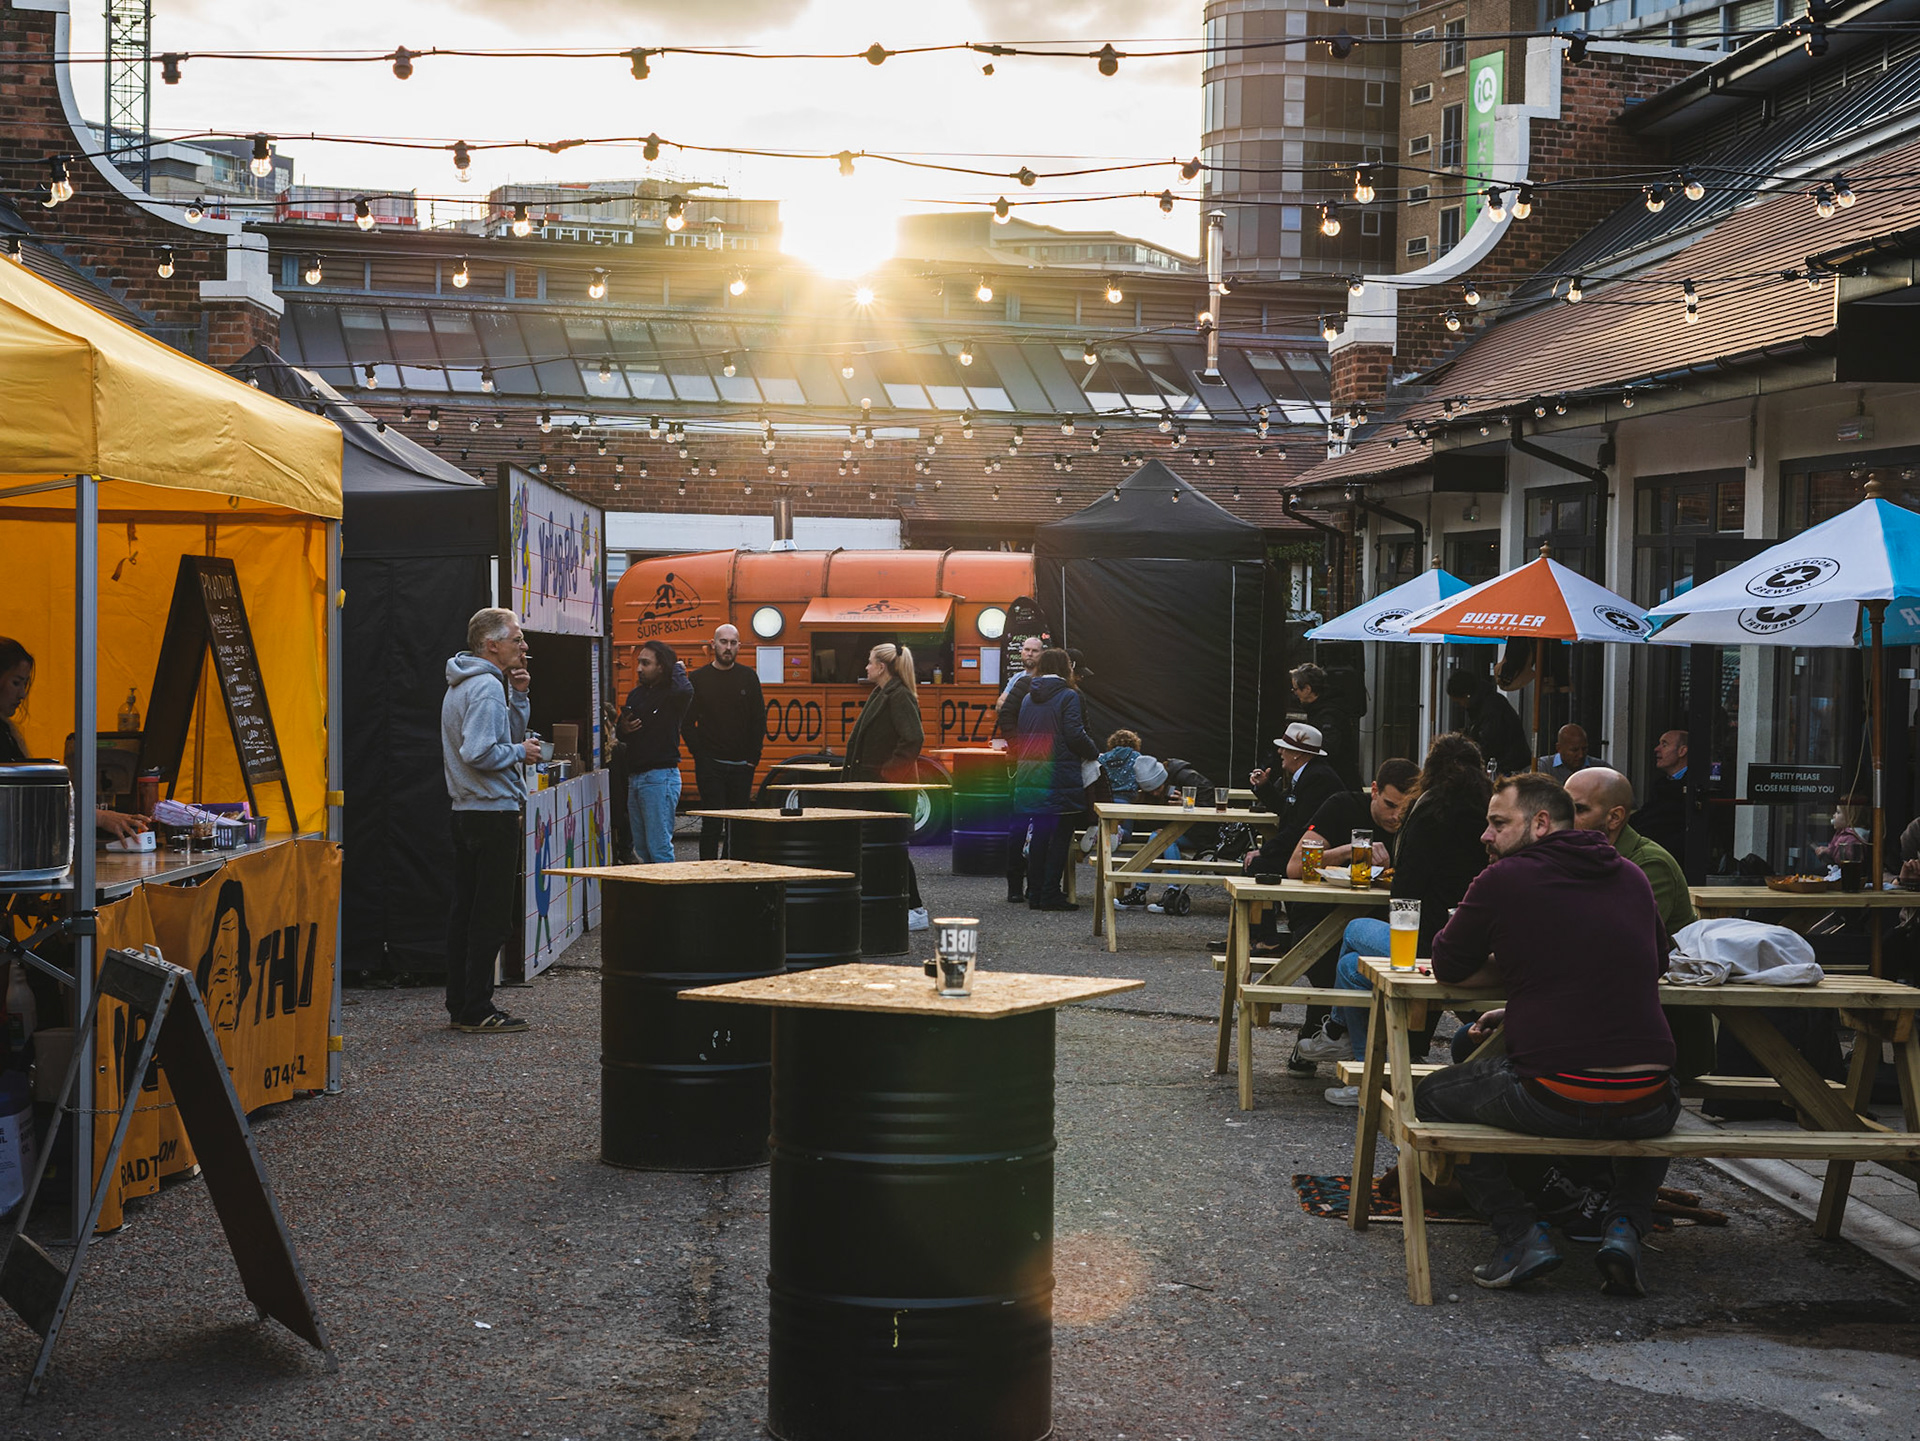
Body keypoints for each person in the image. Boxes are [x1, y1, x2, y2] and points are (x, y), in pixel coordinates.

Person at [1415, 772, 1679, 1297]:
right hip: (1648, 1100)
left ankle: (1520, 1235)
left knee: (1430, 1096)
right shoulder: (1631, 874)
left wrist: (1515, 972)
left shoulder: (1503, 879)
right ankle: (1624, 1227)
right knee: (1664, 1086)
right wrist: (1524, 998)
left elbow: (1448, 964)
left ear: (1540, 823)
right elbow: (1656, 962)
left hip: (1553, 1094)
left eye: (1498, 823)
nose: (1485, 835)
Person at [1325, 733, 1492, 1103]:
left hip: (1429, 944)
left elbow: (1406, 890)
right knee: (1352, 966)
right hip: (1479, 946)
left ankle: (1352, 1052)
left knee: (1353, 933)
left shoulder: (1429, 811)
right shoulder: (1490, 814)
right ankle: (1390, 1052)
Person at [1564, 765, 1711, 1079]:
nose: (1564, 818)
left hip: (1657, 1032)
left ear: (1615, 817)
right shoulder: (1579, 858)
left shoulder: (1647, 864)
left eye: (1578, 809)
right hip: (1605, 1015)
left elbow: (1618, 952)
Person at [1281, 757, 1420, 1071]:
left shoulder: (1417, 821)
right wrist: (1351, 850)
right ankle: (1340, 1039)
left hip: (1378, 919)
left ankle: (1339, 1038)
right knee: (1331, 958)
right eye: (1389, 805)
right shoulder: (1341, 806)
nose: (1396, 816)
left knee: (1369, 963)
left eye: (1404, 809)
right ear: (1374, 790)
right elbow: (1294, 866)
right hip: (1319, 916)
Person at [441, 607, 543, 1034]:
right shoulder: (484, 686)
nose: (524, 646)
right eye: (516, 639)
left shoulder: (471, 682)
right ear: (491, 645)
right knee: (490, 916)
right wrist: (522, 753)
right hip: (492, 813)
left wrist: (518, 697)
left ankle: (461, 1004)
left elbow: (499, 736)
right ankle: (477, 1009)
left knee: (466, 913)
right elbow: (479, 751)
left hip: (468, 812)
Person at [0, 637, 150, 840]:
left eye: (25, 684)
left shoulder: (6, 731)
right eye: (16, 682)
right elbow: (22, 801)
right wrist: (98, 817)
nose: (22, 694)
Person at [845, 641, 929, 930]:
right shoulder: (882, 693)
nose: (866, 667)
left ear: (881, 667)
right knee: (881, 850)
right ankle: (890, 905)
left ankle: (915, 908)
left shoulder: (898, 696)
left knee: (892, 850)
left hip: (887, 792)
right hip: (874, 789)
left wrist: (887, 775)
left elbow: (913, 738)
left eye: (870, 662)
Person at [1013, 648, 1098, 911]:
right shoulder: (1068, 696)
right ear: (1065, 668)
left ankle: (1035, 892)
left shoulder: (1028, 698)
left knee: (1039, 835)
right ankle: (1050, 893)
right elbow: (1074, 734)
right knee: (1061, 837)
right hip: (1059, 777)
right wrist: (1094, 752)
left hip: (1030, 776)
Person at [682, 623, 763, 861]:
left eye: (733, 643)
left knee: (738, 826)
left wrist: (752, 759)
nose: (728, 647)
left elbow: (758, 720)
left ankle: (733, 870)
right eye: (723, 642)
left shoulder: (748, 677)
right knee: (712, 824)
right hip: (711, 766)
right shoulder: (698, 678)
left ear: (739, 646)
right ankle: (708, 873)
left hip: (741, 766)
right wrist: (700, 756)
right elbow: (686, 722)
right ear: (713, 644)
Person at [619, 640, 693, 864]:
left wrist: (677, 667)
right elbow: (622, 735)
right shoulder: (636, 695)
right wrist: (623, 728)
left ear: (661, 667)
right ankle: (652, 888)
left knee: (659, 848)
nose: (639, 668)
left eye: (646, 663)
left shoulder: (672, 696)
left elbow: (685, 690)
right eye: (639, 662)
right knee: (642, 849)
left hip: (660, 777)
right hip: (636, 778)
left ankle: (667, 888)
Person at [1116, 752, 1214, 912]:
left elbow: (1211, 801)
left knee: (1165, 838)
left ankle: (1160, 892)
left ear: (1163, 779)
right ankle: (1150, 892)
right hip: (1179, 830)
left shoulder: (1186, 776)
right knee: (1159, 836)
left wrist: (1187, 803)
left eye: (1158, 789)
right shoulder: (1156, 791)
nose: (1155, 793)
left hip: (1204, 832)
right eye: (1150, 791)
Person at [1246, 723, 1345, 873]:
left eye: (1284, 748)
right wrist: (1264, 786)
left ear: (1297, 754)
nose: (1279, 751)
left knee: (1256, 865)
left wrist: (1264, 851)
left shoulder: (1318, 778)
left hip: (1317, 855)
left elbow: (1299, 827)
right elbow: (1284, 807)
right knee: (1256, 862)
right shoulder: (1310, 773)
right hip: (1301, 849)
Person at [999, 635, 1046, 903]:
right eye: (1026, 649)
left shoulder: (1046, 681)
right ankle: (1015, 885)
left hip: (1040, 761)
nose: (1029, 654)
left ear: (1042, 654)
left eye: (1034, 650)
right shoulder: (1018, 681)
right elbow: (1002, 710)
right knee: (1019, 825)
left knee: (1038, 826)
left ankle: (1034, 884)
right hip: (1019, 762)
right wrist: (1018, 746)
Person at [1446, 669, 1532, 777]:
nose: (1461, 706)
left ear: (1467, 695)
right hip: (1504, 764)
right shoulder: (1483, 705)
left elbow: (1490, 743)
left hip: (1507, 767)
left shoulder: (1490, 708)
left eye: (1459, 701)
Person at [1291, 662, 1361, 790]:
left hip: (1337, 784)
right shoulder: (1323, 709)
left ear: (1307, 689)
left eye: (1295, 689)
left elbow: (1329, 748)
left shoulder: (1328, 714)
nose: (1294, 693)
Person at [1630, 728, 1689, 859]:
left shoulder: (1693, 786)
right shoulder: (1662, 783)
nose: (1656, 749)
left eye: (1664, 744)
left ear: (1682, 751)